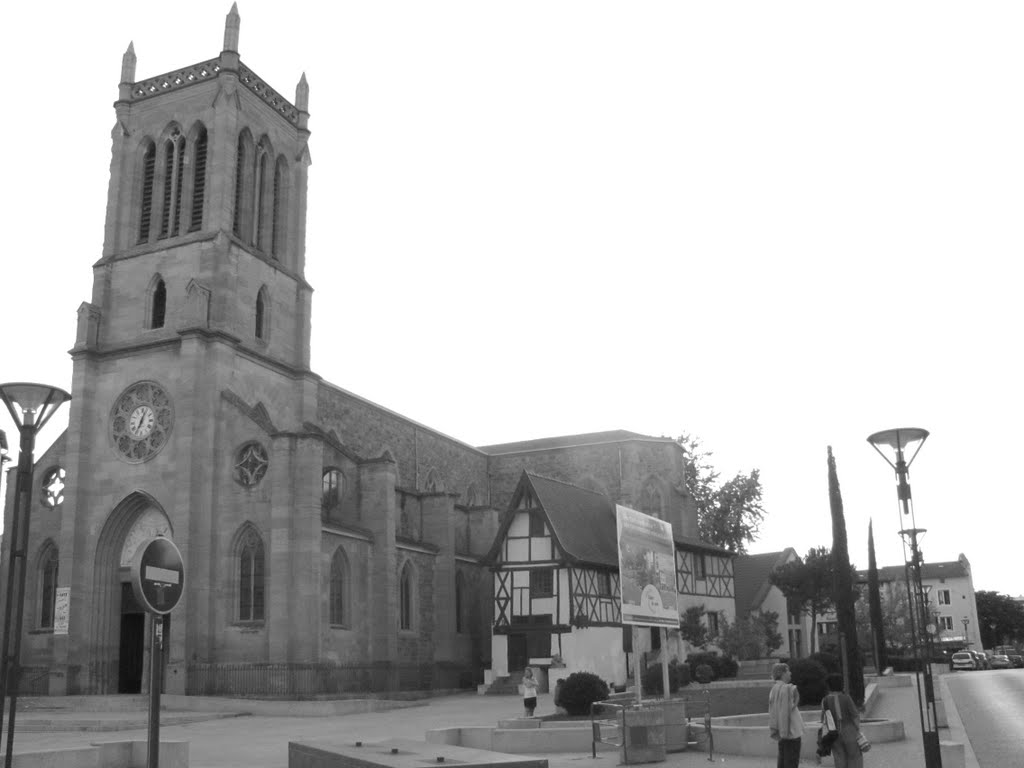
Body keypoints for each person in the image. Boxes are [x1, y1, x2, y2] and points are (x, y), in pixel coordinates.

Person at [821, 674, 863, 768]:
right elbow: (855, 715)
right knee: (854, 757)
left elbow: (824, 719)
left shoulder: (825, 700)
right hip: (849, 731)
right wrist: (858, 730)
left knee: (839, 758)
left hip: (833, 733)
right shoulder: (846, 698)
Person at [768, 662, 804, 768]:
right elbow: (794, 702)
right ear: (782, 673)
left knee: (783, 761)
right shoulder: (787, 688)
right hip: (791, 731)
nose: (790, 673)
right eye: (788, 671)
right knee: (791, 762)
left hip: (781, 730)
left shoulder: (773, 689)